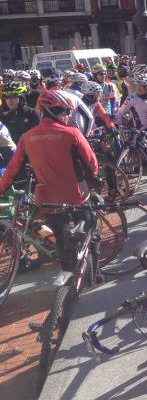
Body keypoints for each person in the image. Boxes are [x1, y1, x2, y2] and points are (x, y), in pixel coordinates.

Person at [0, 91, 98, 271]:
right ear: (54, 112)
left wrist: (1, 189)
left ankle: (68, 275)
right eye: (66, 112)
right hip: (76, 194)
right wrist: (93, 177)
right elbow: (92, 163)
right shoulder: (72, 133)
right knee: (89, 230)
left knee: (61, 238)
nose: (68, 116)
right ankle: (94, 273)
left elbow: (12, 169)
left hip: (47, 198)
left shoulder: (26, 138)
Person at [114, 73, 147, 175]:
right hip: (142, 128)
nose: (138, 88)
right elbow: (119, 113)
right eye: (137, 85)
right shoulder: (132, 98)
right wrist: (116, 125)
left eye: (140, 86)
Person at [0, 81, 40, 145]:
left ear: (21, 97)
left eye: (14, 96)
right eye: (7, 97)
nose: (10, 100)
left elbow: (38, 140)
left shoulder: (33, 114)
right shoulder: (2, 116)